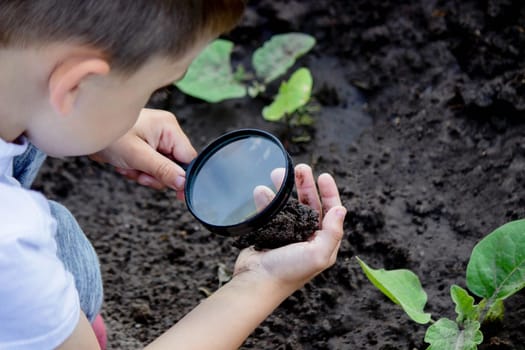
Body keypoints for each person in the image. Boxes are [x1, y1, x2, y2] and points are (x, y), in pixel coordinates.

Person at [0, 1, 347, 349]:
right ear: (75, 88)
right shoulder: (12, 249)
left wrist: (89, 124)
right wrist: (263, 280)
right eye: (152, 91)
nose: (146, 107)